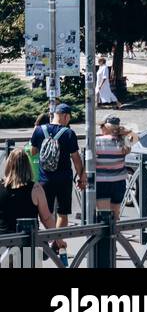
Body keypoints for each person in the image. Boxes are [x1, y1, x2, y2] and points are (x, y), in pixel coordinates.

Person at [29, 103, 84, 243]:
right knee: (63, 213)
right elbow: (76, 159)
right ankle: (57, 242)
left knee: (45, 213)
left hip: (44, 178)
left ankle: (49, 240)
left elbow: (33, 152)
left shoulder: (40, 130)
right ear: (66, 116)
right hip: (64, 179)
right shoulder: (69, 133)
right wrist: (82, 176)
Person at [0, 150, 55, 256]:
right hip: (29, 246)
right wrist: (58, 238)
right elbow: (46, 218)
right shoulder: (36, 188)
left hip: (3, 245)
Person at [94, 116, 137, 220]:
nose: (100, 128)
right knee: (115, 215)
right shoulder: (123, 142)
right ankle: (115, 234)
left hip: (101, 182)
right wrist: (128, 132)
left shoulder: (97, 141)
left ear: (106, 127)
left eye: (101, 126)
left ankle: (105, 236)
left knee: (103, 216)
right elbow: (136, 138)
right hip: (119, 182)